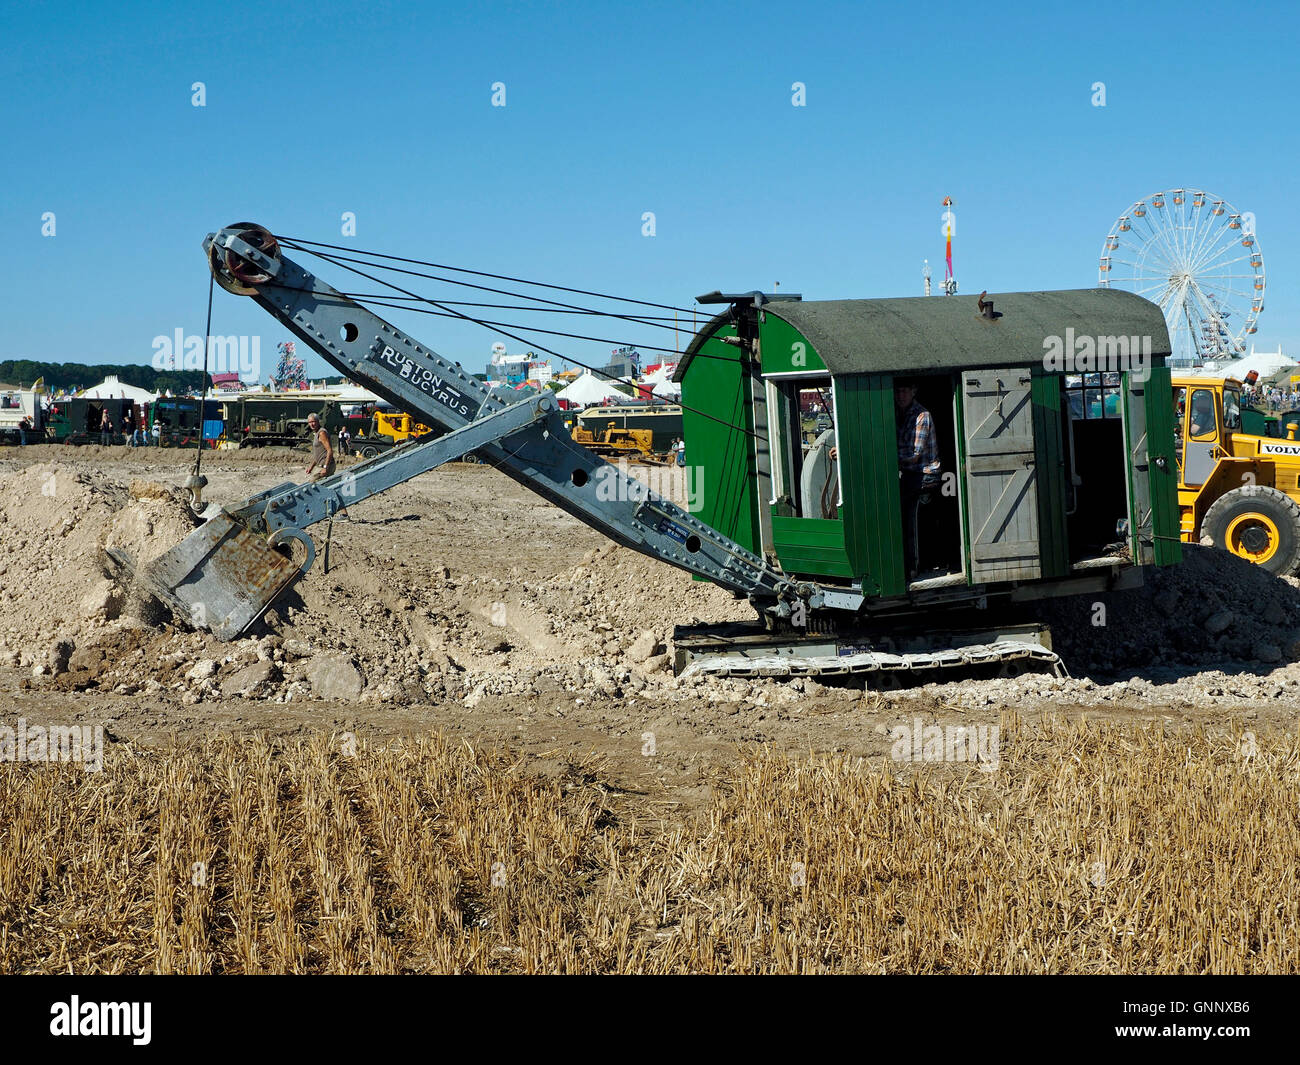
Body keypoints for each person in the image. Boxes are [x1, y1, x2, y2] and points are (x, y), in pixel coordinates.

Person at [830, 378, 940, 581]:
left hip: (924, 476)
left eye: (905, 390)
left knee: (904, 516)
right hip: (907, 474)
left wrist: (870, 457)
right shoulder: (899, 414)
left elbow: (912, 455)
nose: (900, 395)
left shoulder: (922, 416)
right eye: (897, 391)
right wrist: (848, 451)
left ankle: (912, 568)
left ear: (914, 391)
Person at [306, 413, 349, 519]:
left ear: (318, 422)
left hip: (326, 466)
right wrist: (311, 467)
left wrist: (325, 468)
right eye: (310, 422)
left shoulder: (322, 433)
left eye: (313, 421)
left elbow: (330, 451)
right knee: (329, 489)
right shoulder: (316, 434)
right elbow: (318, 454)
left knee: (311, 485)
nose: (312, 424)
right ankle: (343, 514)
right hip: (321, 465)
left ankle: (317, 512)